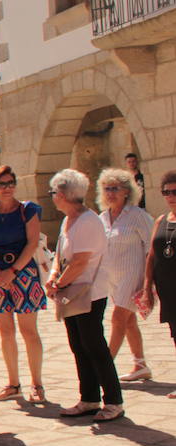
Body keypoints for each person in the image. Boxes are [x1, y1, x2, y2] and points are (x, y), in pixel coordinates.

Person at [46, 168, 124, 422]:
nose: (52, 196)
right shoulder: (68, 220)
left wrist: (58, 283)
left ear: (66, 194)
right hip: (72, 291)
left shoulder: (88, 221)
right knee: (79, 345)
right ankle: (89, 398)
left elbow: (80, 262)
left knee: (94, 345)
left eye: (54, 192)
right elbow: (61, 254)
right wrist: (54, 275)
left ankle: (113, 401)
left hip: (89, 292)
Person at [0, 165, 47, 404]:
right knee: (6, 332)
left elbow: (32, 243)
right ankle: (13, 383)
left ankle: (37, 384)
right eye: (1, 184)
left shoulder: (28, 210)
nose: (7, 188)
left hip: (23, 272)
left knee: (29, 331)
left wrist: (13, 271)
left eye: (10, 183)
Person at [98, 167, 154, 382]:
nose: (110, 193)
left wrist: (148, 282)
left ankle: (105, 368)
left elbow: (152, 247)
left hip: (133, 275)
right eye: (106, 188)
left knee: (118, 319)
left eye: (115, 188)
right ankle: (140, 365)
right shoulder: (102, 218)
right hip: (112, 278)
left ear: (126, 191)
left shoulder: (138, 216)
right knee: (129, 322)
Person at [141, 170, 176, 398]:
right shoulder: (161, 220)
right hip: (167, 287)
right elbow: (152, 256)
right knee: (175, 333)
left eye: (175, 191)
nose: (171, 196)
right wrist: (147, 289)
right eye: (166, 192)